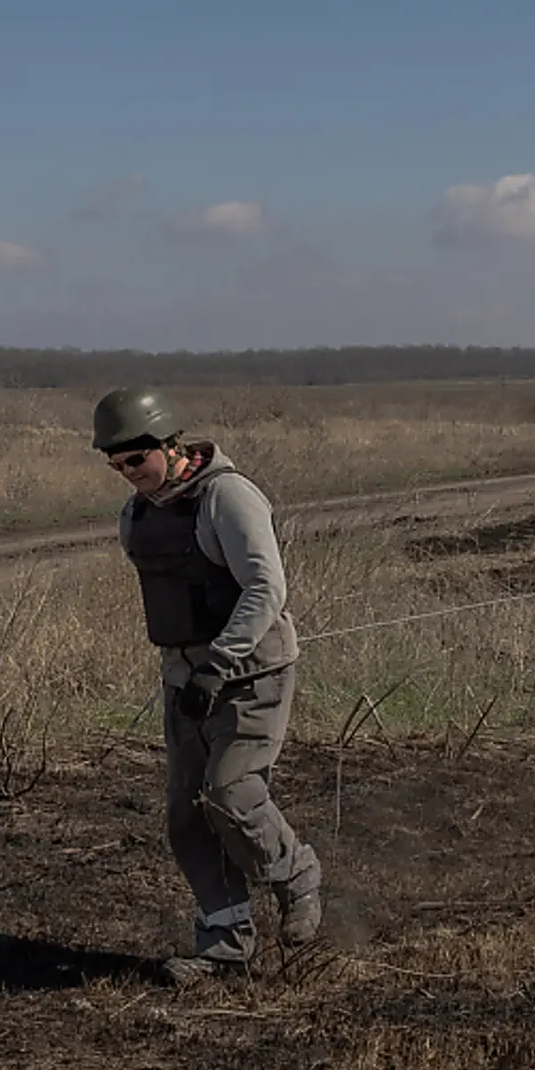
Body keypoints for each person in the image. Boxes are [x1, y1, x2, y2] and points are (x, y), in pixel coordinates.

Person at [93, 387, 321, 982]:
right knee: (185, 815)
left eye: (136, 461)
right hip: (184, 679)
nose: (128, 475)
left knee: (231, 790)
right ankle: (225, 943)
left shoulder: (228, 497)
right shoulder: (136, 515)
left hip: (253, 674)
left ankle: (295, 875)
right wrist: (187, 671)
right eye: (116, 465)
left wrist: (217, 663)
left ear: (169, 445)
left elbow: (265, 591)